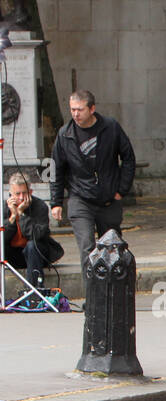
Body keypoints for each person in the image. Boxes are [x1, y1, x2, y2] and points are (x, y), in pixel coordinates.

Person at [50, 90, 136, 269]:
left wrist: (122, 189)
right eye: (72, 109)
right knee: (87, 248)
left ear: (92, 109)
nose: (75, 114)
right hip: (80, 198)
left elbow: (128, 157)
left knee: (112, 248)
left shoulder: (110, 127)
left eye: (80, 110)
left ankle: (113, 293)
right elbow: (56, 167)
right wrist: (56, 202)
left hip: (108, 198)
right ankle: (92, 294)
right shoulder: (65, 134)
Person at [3, 173, 63, 290]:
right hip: (13, 255)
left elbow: (37, 235)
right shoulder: (4, 208)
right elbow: (3, 238)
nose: (21, 197)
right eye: (17, 194)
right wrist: (13, 216)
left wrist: (21, 214)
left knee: (32, 246)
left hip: (37, 254)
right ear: (10, 194)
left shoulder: (40, 206)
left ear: (30, 192)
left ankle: (32, 292)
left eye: (24, 193)